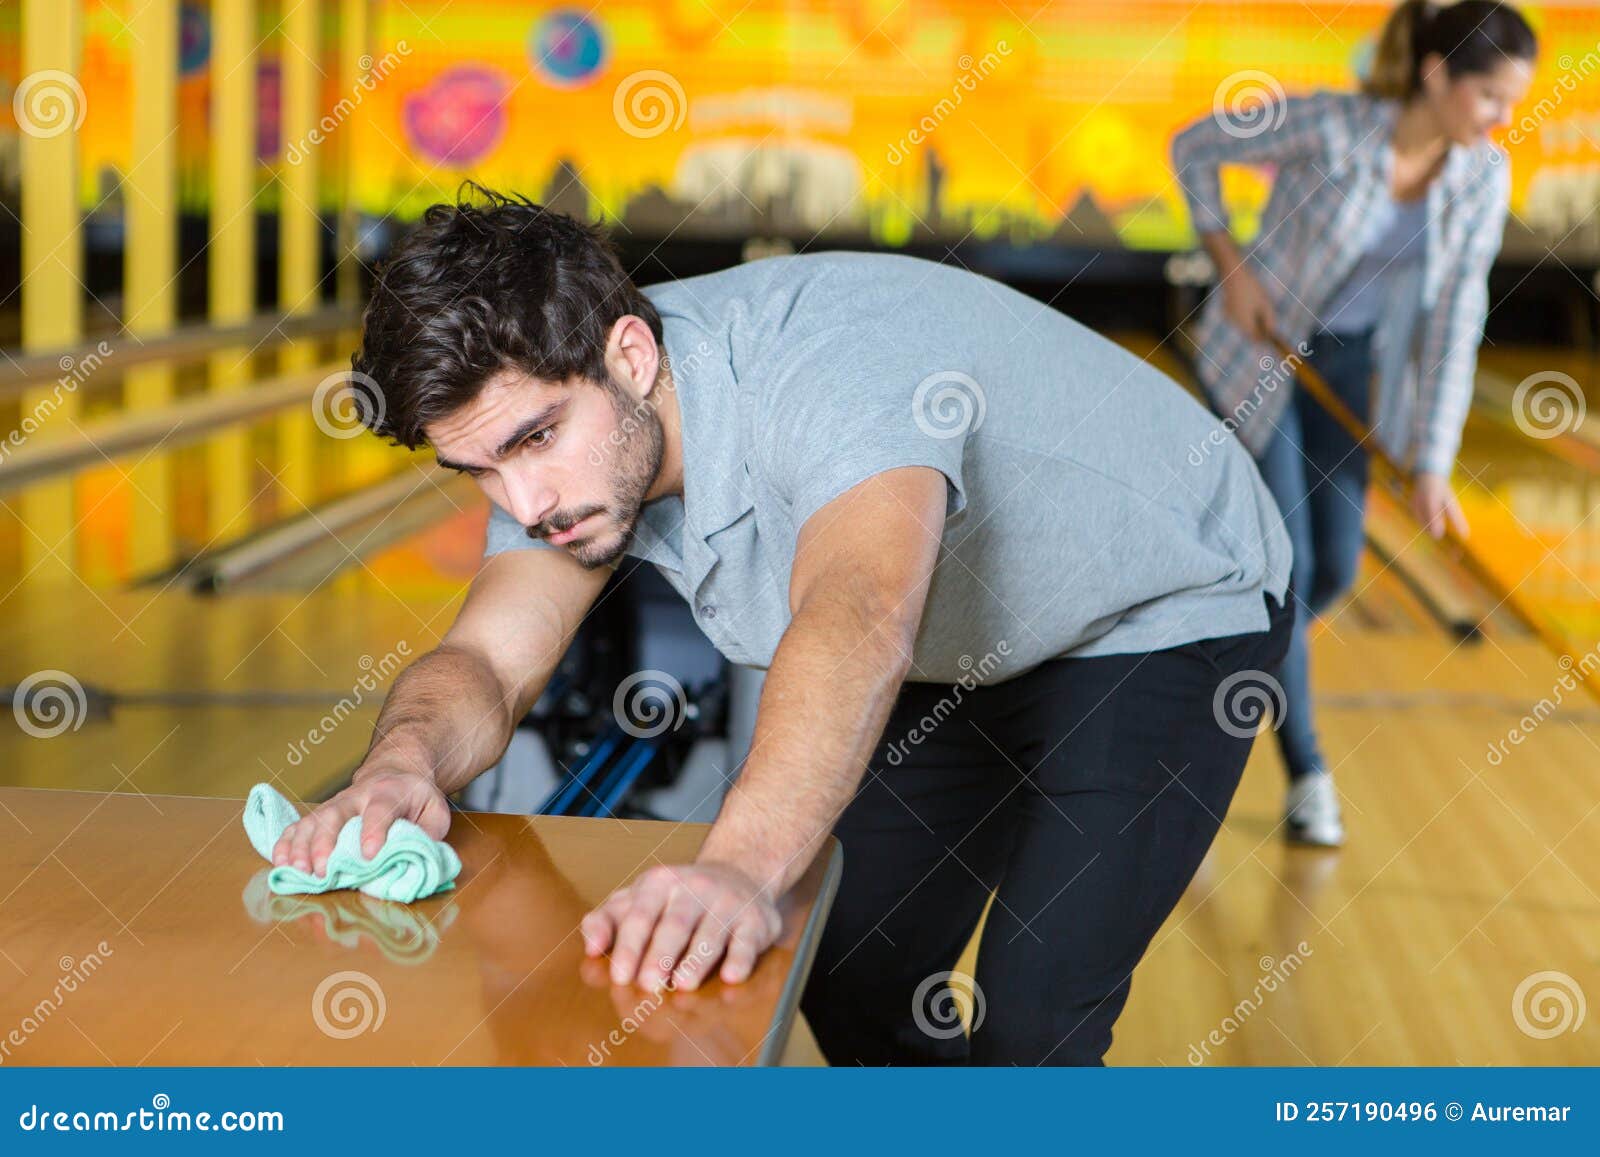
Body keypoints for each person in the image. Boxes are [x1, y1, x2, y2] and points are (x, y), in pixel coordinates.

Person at [272, 188, 1294, 1064]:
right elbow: (488, 660)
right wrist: (399, 767)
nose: (524, 498)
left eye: (535, 439)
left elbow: (857, 609)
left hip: (1158, 608)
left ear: (628, 354)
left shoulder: (825, 366)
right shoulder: (560, 438)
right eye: (482, 468)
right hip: (961, 640)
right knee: (852, 966)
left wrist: (737, 867)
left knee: (1032, 1022)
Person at [1170, 0, 1536, 847]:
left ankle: (1208, 674)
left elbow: (1454, 316)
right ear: (1439, 76)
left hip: (1345, 367)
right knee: (1290, 575)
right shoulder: (1333, 128)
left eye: (1513, 101)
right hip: (1258, 359)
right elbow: (1194, 145)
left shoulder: (1482, 174)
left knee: (1330, 568)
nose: (1505, 118)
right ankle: (1308, 775)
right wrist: (1230, 264)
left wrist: (1434, 461)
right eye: (1491, 96)